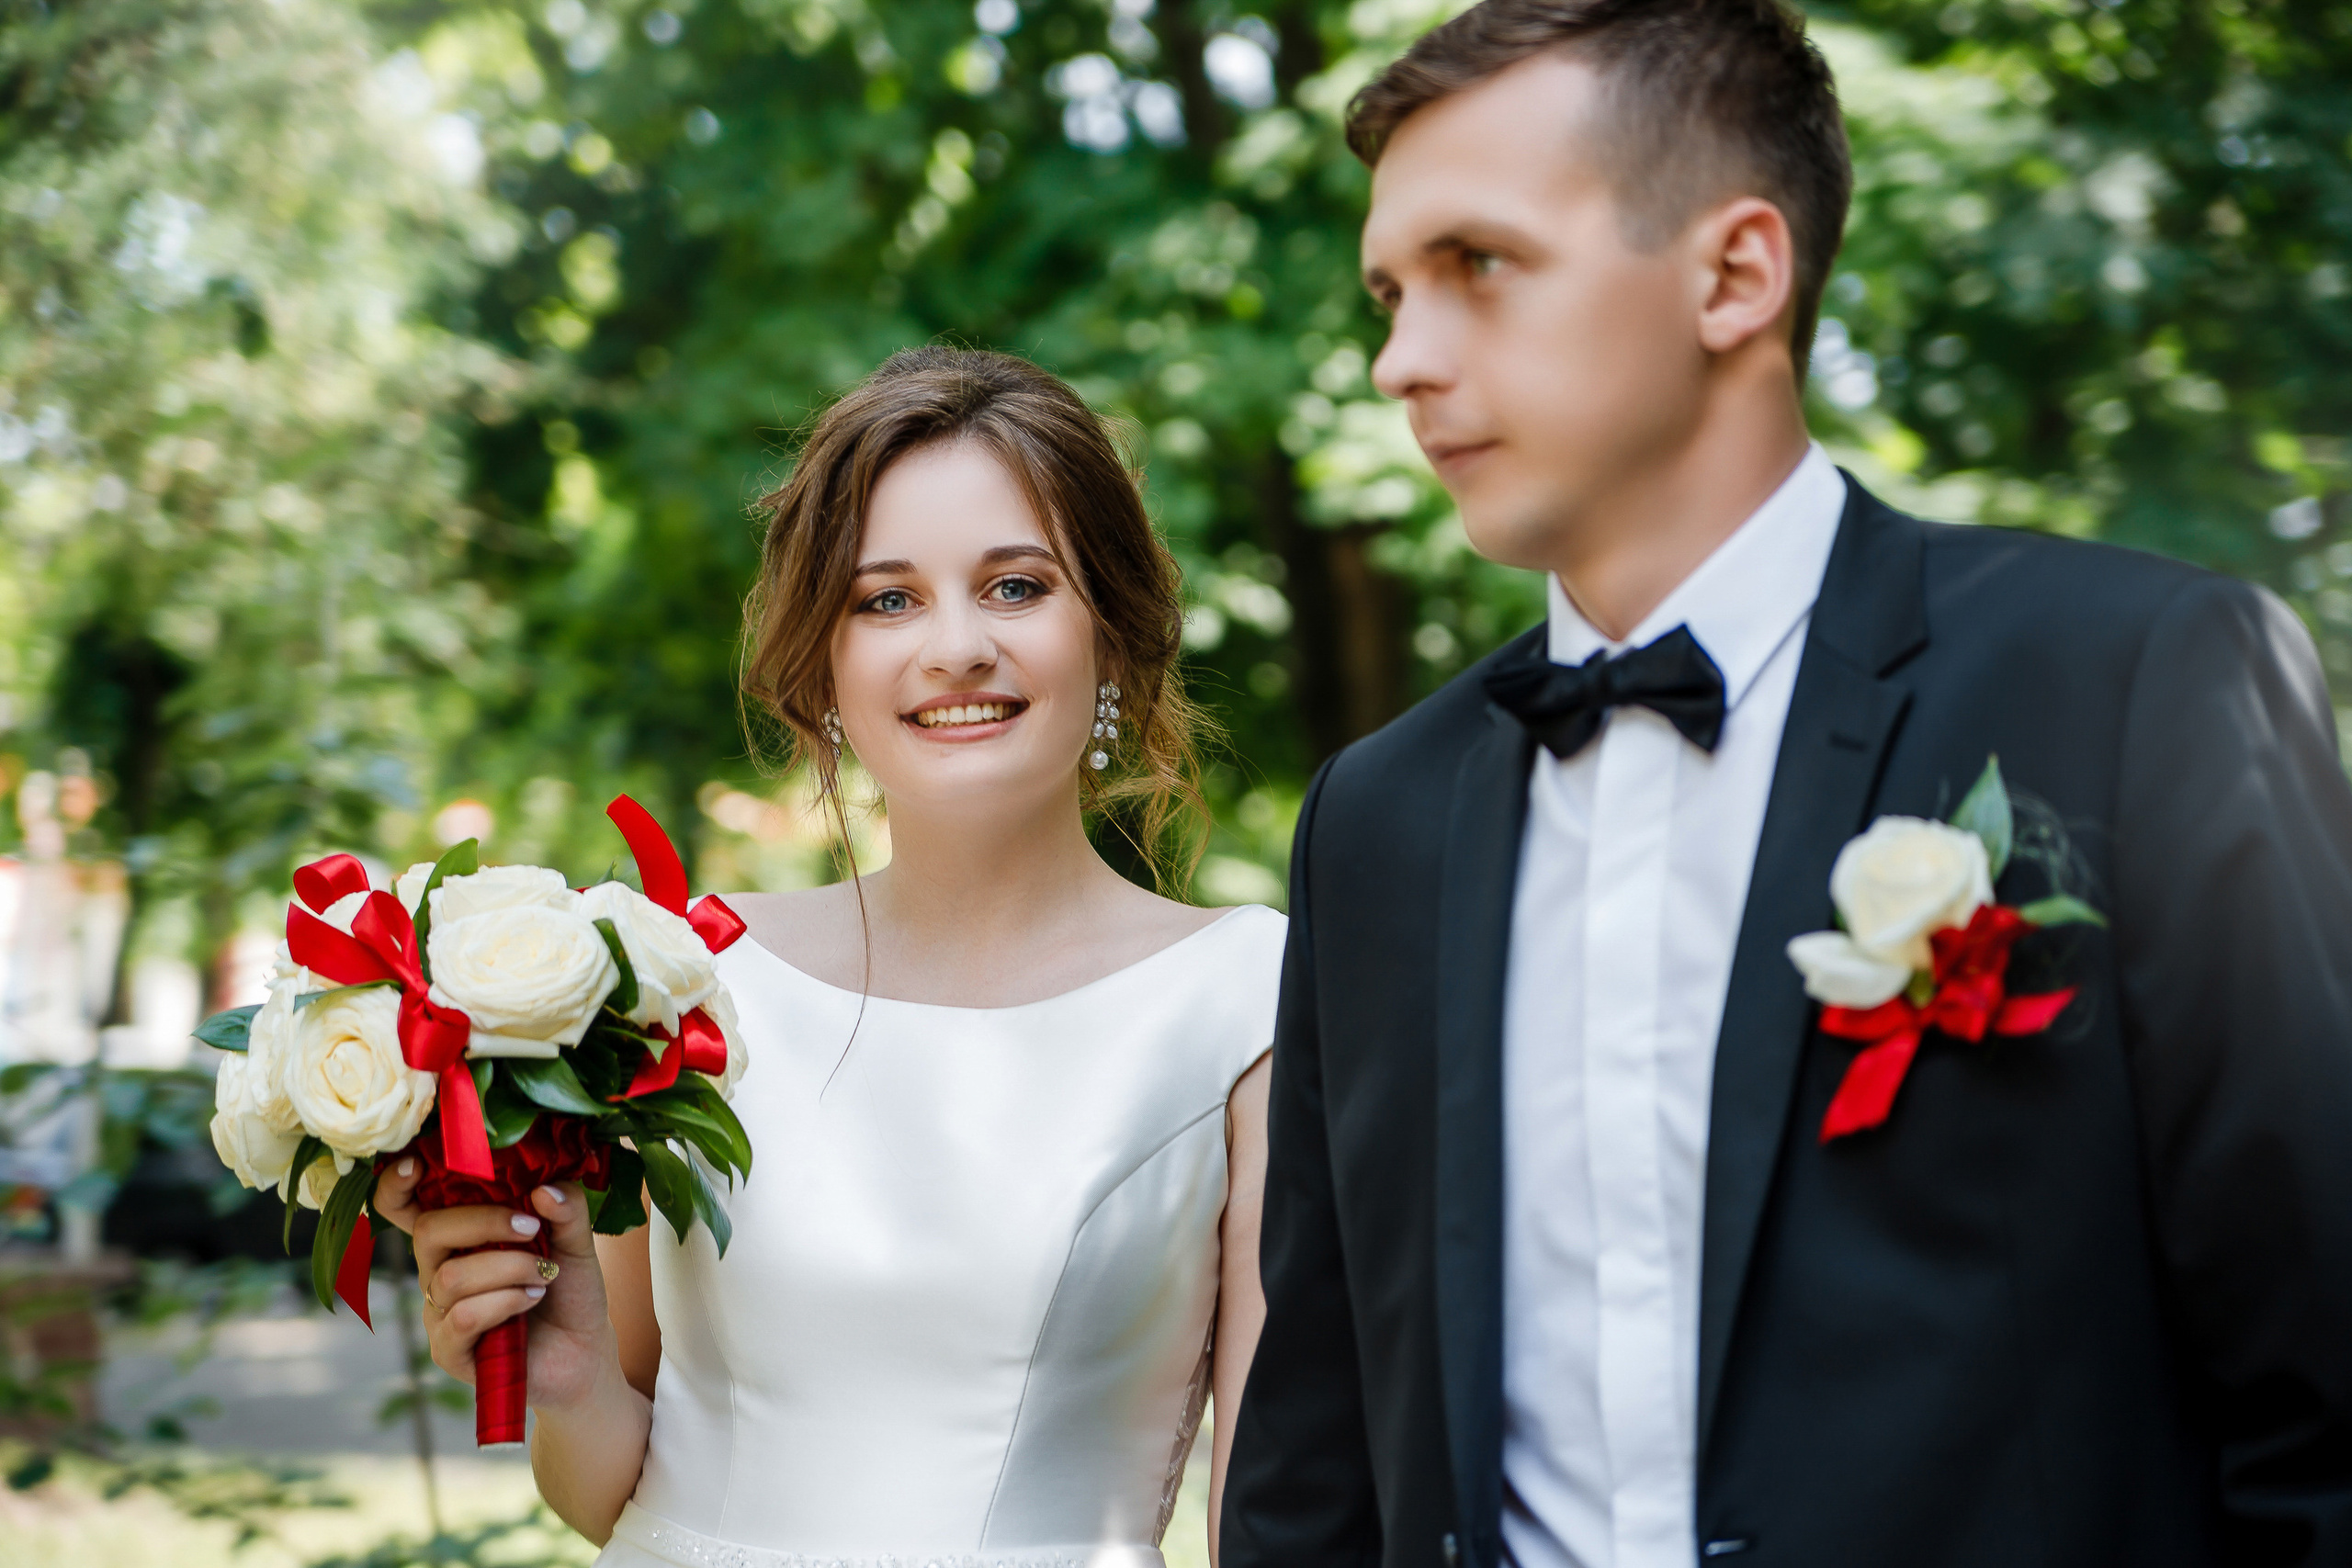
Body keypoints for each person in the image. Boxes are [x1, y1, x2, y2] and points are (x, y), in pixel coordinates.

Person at [1220, 1, 2352, 1565]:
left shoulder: (2140, 684)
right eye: (1389, 293)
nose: (1402, 360)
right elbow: (1318, 1466)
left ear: (1736, 273)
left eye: (1479, 266)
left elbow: (2324, 1404)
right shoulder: (1375, 819)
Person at [374, 346, 1286, 1566]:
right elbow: (615, 1493)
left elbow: (1274, 1516)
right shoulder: (689, 975)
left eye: (1016, 587)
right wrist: (568, 1381)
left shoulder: (1245, 999)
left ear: (1112, 630)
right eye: (887, 599)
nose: (955, 646)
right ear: (828, 664)